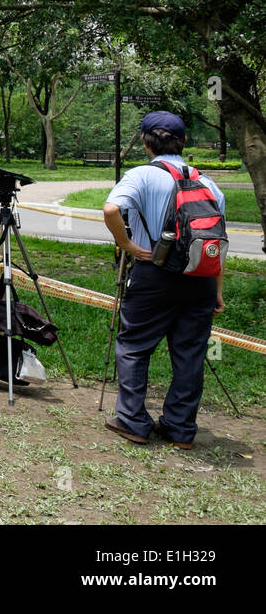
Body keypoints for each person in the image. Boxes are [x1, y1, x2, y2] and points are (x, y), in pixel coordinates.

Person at [102, 111, 226, 450]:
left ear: (145, 141)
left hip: (154, 273)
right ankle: (180, 428)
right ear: (183, 142)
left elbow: (111, 210)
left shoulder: (141, 175)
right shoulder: (210, 184)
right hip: (200, 277)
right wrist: (216, 291)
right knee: (190, 354)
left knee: (134, 345)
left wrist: (126, 245)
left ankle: (132, 420)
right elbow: (217, 244)